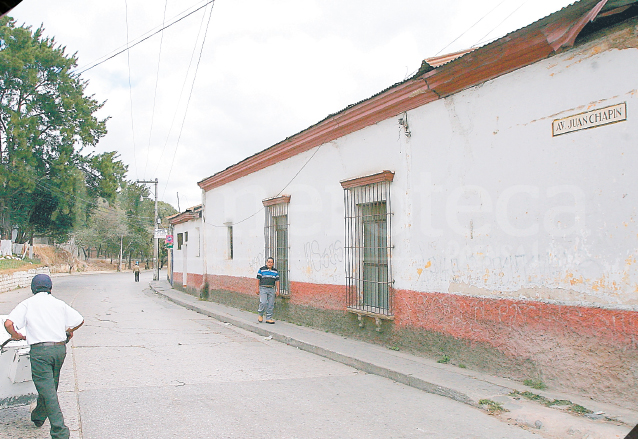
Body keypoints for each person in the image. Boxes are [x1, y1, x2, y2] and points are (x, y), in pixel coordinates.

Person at [3, 274, 83, 439]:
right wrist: (68, 332)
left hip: (40, 352)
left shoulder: (27, 304)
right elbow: (79, 320)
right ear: (50, 288)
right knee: (49, 387)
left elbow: (8, 324)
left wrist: (16, 335)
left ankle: (60, 431)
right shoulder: (58, 303)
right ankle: (39, 416)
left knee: (48, 391)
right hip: (59, 350)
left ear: (33, 289)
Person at [256, 257, 279, 324]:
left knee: (271, 304)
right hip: (263, 288)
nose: (270, 263)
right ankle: (260, 314)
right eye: (268, 262)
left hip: (271, 289)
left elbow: (277, 281)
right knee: (263, 302)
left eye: (271, 262)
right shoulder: (261, 270)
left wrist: (278, 290)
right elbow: (258, 279)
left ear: (273, 263)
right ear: (266, 263)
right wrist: (257, 288)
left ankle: (268, 318)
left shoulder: (275, 271)